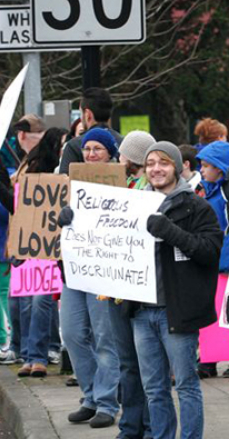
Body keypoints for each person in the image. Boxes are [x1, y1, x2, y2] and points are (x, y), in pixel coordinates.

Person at [128, 141, 221, 439]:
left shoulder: (196, 206)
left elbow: (209, 252)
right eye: (150, 163)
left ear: (178, 168)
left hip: (177, 311)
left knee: (185, 384)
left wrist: (170, 231)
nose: (156, 169)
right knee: (154, 388)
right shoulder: (131, 204)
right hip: (142, 312)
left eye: (164, 162)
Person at [57, 127, 122, 428]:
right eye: (87, 148)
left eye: (98, 148)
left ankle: (106, 402)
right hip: (73, 270)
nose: (91, 153)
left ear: (110, 153)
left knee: (104, 337)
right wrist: (63, 216)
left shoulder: (120, 183)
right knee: (72, 334)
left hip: (103, 271)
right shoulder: (69, 183)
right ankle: (90, 396)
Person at [107, 130, 158, 439]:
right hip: (116, 287)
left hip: (141, 287)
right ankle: (130, 427)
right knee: (127, 361)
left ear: (132, 158)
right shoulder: (116, 185)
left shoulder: (151, 190)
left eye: (122, 154)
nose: (118, 158)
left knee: (148, 365)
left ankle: (150, 427)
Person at [7, 126, 66, 378]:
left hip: (53, 247)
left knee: (41, 301)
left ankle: (38, 356)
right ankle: (28, 354)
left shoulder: (66, 174)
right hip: (32, 244)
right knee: (24, 302)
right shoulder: (32, 171)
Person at [195, 140, 229, 380]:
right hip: (210, 260)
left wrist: (226, 260)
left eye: (206, 165)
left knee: (228, 311)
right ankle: (208, 359)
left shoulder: (227, 194)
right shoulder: (204, 191)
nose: (201, 170)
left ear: (219, 168)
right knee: (210, 313)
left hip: (224, 262)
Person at [59, 88, 123, 174]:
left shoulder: (73, 146)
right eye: (87, 149)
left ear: (87, 114)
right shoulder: (123, 143)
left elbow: (64, 179)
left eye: (81, 113)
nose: (91, 154)